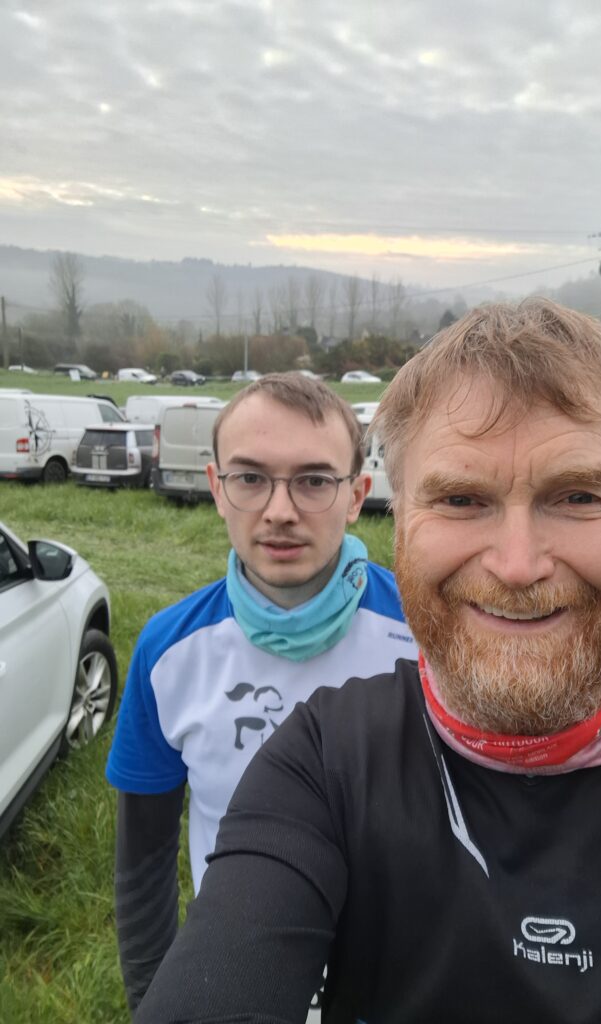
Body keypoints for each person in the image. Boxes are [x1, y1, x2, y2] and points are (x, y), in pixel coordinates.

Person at [135, 302, 601, 1023]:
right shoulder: (322, 762)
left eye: (579, 496)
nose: (518, 565)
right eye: (462, 499)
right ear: (400, 526)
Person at [106, 373, 414, 1014]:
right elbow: (144, 863)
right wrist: (152, 1000)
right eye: (250, 478)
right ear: (217, 489)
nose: (279, 511)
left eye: (314, 480)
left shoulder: (426, 638)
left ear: (357, 495)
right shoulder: (168, 652)